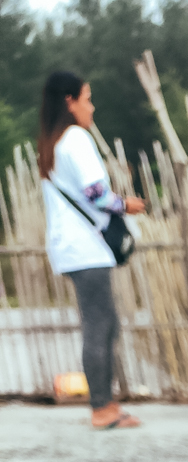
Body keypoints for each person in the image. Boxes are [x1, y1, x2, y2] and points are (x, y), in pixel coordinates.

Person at [37, 70, 147, 430]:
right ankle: (101, 407)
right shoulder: (76, 139)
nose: (92, 107)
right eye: (87, 98)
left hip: (71, 246)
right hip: (86, 247)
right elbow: (96, 193)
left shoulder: (52, 143)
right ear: (70, 102)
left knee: (103, 323)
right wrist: (125, 204)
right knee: (100, 326)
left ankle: (106, 401)